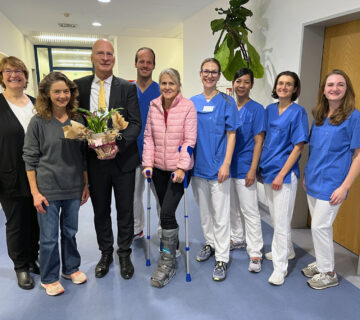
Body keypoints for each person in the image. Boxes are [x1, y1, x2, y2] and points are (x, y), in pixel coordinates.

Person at [74, 39, 141, 280]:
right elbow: (74, 121)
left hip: (122, 161)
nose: (105, 58)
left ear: (114, 58)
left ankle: (124, 253)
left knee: (125, 210)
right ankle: (105, 253)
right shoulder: (78, 87)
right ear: (92, 58)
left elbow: (135, 124)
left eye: (110, 54)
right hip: (94, 162)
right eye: (100, 53)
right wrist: (87, 138)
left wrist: (117, 145)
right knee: (100, 210)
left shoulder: (127, 87)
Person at [23, 72, 89, 296]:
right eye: (57, 92)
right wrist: (35, 193)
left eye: (66, 91)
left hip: (72, 186)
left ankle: (70, 268)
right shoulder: (39, 122)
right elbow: (29, 158)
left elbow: (83, 157)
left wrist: (85, 185)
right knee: (49, 237)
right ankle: (49, 276)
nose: (62, 96)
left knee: (70, 232)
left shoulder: (78, 121)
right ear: (47, 94)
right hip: (47, 189)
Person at [302, 69, 360, 290]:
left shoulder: (354, 117)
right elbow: (314, 149)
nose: (334, 88)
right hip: (314, 180)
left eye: (340, 84)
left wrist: (345, 187)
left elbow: (358, 155)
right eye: (330, 85)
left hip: (333, 183)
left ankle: (329, 273)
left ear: (347, 90)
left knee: (319, 226)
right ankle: (322, 262)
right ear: (323, 91)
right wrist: (307, 174)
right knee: (321, 228)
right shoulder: (318, 115)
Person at [142, 68, 196, 287]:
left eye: (171, 83)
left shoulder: (187, 106)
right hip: (158, 170)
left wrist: (183, 168)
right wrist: (147, 163)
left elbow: (190, 140)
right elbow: (149, 137)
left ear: (178, 85)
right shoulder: (154, 105)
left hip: (178, 171)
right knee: (165, 212)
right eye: (163, 83)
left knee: (165, 213)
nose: (167, 87)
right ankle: (171, 247)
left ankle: (168, 262)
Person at [259, 71, 309, 286]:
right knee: (275, 217)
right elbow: (263, 140)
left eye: (289, 84)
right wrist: (260, 168)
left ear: (295, 89)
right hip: (268, 170)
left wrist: (281, 173)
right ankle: (287, 250)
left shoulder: (298, 112)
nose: (284, 87)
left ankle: (280, 268)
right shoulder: (269, 110)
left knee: (280, 222)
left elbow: (298, 147)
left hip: (285, 174)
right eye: (281, 83)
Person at [190, 58, 237, 282]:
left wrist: (226, 163)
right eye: (206, 71)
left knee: (221, 214)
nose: (210, 75)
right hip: (197, 167)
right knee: (205, 212)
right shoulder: (192, 102)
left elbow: (232, 134)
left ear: (219, 76)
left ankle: (222, 257)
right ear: (200, 74)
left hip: (218, 167)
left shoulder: (227, 102)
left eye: (214, 72)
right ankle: (210, 244)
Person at [0, 56, 39, 290]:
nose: (14, 75)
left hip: (37, 174)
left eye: (19, 71)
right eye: (8, 71)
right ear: (2, 77)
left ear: (26, 77)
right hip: (9, 174)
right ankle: (21, 266)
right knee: (16, 222)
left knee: (36, 220)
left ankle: (33, 257)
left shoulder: (36, 103)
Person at [229, 68, 265, 273]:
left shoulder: (257, 109)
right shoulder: (228, 105)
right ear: (233, 83)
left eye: (246, 82)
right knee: (232, 208)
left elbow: (259, 141)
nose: (241, 85)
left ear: (251, 85)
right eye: (238, 81)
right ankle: (237, 238)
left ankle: (255, 252)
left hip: (245, 167)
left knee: (250, 211)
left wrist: (253, 169)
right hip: (228, 167)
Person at [133, 47, 161, 240]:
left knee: (161, 196)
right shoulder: (127, 90)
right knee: (133, 196)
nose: (145, 65)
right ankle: (137, 228)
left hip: (158, 154)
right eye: (141, 61)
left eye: (149, 62)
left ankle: (164, 229)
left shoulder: (161, 90)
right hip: (132, 153)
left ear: (154, 65)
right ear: (135, 63)